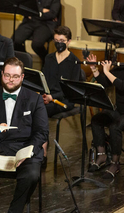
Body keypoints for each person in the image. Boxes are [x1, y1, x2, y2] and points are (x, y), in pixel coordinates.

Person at [0, 57, 49, 212]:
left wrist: (27, 151)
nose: (10, 80)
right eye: (7, 75)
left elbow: (42, 131)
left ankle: (15, 210)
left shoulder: (35, 98)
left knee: (31, 175)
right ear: (2, 74)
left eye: (15, 76)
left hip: (23, 149)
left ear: (22, 77)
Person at [41, 26, 83, 167]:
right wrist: (43, 95)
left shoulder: (74, 62)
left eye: (62, 40)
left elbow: (72, 90)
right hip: (48, 98)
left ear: (69, 41)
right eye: (56, 40)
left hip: (65, 100)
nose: (59, 43)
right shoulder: (49, 58)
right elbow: (43, 80)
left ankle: (43, 152)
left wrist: (52, 97)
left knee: (41, 111)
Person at [87, 55, 123, 179]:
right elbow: (105, 83)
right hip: (120, 111)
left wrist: (107, 71)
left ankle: (115, 163)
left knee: (115, 127)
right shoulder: (120, 69)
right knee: (96, 120)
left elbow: (122, 86)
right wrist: (94, 69)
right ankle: (101, 155)